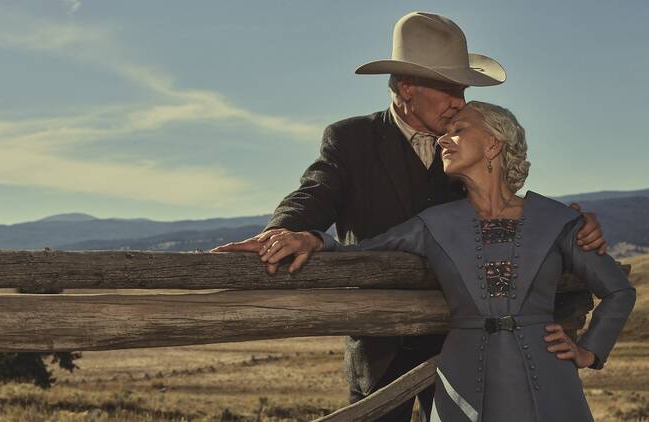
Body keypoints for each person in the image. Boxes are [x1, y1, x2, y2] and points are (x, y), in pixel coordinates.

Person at [212, 12, 607, 421]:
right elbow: (316, 192)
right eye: (449, 88)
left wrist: (569, 226)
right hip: (380, 343)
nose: (460, 101)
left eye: (463, 89)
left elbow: (503, 206)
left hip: (463, 342)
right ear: (406, 87)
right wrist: (288, 229)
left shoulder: (466, 144)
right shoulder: (351, 140)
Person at [252, 101, 636, 421]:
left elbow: (619, 291)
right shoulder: (432, 225)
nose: (442, 139)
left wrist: (589, 350)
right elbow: (360, 251)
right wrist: (311, 238)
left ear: (493, 146)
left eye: (459, 129)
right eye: (445, 131)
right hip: (462, 378)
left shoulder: (558, 220)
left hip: (549, 377)